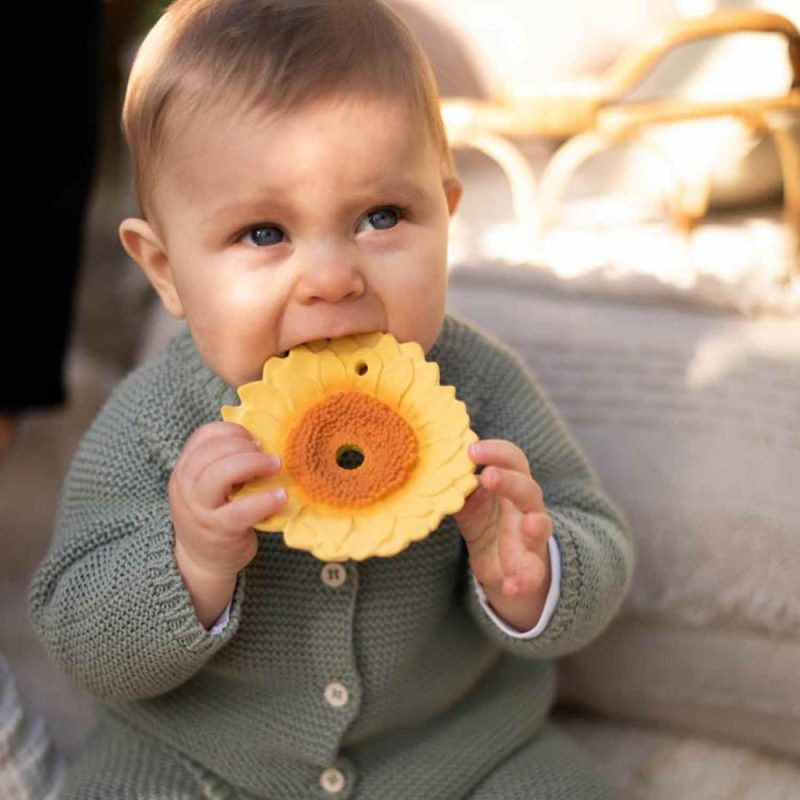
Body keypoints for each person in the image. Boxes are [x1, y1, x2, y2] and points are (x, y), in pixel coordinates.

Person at [28, 1, 634, 797]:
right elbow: (78, 636)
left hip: (456, 755)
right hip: (202, 762)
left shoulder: (477, 387)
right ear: (166, 269)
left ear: (446, 219)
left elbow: (599, 544)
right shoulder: (156, 424)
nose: (332, 278)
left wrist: (531, 572)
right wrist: (188, 562)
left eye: (381, 217)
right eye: (263, 233)